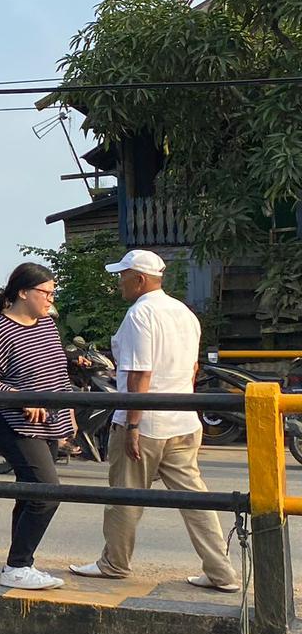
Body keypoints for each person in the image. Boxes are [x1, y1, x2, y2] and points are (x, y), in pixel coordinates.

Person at [70, 250, 239, 592]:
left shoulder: (139, 315)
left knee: (125, 498)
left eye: (123, 276)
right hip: (183, 421)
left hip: (145, 425)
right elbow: (192, 369)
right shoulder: (184, 313)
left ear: (140, 279)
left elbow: (139, 375)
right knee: (196, 501)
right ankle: (222, 572)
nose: (119, 282)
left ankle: (114, 563)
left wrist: (133, 426)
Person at [0, 263, 74, 591]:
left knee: (30, 494)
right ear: (23, 293)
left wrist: (69, 415)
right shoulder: (0, 329)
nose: (50, 299)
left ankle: (18, 564)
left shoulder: (47, 324)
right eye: (46, 292)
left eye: (52, 293)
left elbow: (57, 374)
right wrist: (19, 397)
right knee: (47, 493)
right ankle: (17, 566)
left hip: (48, 423)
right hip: (13, 422)